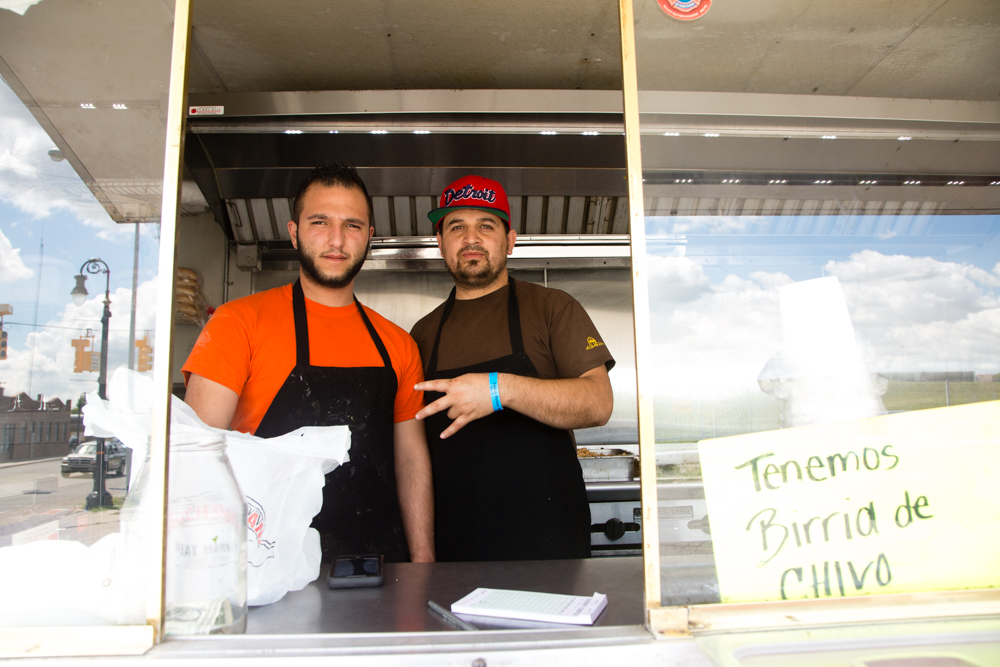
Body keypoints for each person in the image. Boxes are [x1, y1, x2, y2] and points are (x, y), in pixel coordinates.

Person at [182, 164, 434, 564]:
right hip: (267, 565)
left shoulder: (398, 344)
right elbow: (196, 458)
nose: (336, 239)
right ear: (294, 232)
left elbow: (410, 461)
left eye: (352, 225)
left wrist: (423, 562)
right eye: (320, 222)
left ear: (369, 236)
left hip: (378, 567)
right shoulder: (238, 323)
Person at [410, 175, 615, 562]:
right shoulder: (421, 334)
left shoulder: (552, 308)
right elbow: (411, 451)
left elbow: (599, 403)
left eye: (486, 226)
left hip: (549, 546)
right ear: (440, 242)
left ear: (510, 240)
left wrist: (498, 389)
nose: (471, 238)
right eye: (457, 227)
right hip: (456, 549)